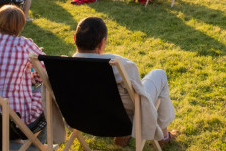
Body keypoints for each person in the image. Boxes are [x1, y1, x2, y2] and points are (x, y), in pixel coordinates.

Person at [72, 17, 178, 146]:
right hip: (124, 120)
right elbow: (141, 96)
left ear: (74, 38)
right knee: (159, 75)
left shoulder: (61, 67)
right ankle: (163, 137)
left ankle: (124, 135)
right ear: (102, 43)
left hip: (84, 119)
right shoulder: (118, 64)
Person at [0, 6, 45, 131]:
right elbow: (46, 69)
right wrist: (34, 77)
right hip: (15, 117)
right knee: (47, 90)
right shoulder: (24, 44)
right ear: (20, 27)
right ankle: (37, 145)